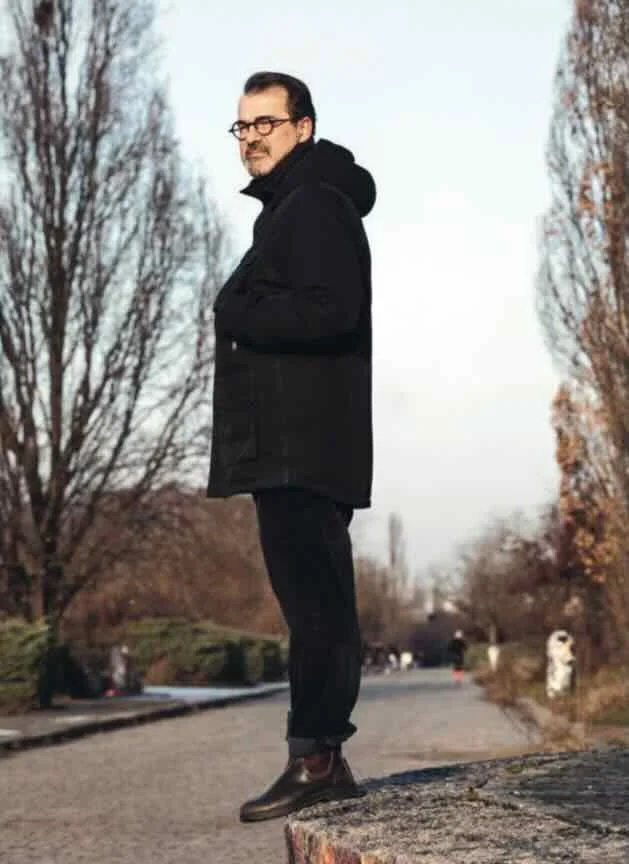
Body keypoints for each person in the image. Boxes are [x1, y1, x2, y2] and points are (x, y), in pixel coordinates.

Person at [207, 71, 376, 823]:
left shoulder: (312, 204)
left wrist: (237, 310)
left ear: (303, 127)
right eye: (242, 127)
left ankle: (316, 761)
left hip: (301, 445)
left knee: (316, 608)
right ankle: (320, 758)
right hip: (293, 444)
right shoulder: (295, 205)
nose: (251, 138)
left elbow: (333, 311)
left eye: (266, 124)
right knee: (314, 604)